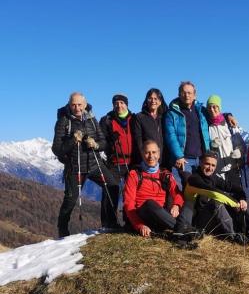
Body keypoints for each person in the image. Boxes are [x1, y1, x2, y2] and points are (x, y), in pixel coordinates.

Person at [52, 92, 119, 237]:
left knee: (112, 186)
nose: (77, 108)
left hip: (95, 164)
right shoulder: (63, 121)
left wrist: (95, 145)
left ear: (85, 104)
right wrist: (72, 140)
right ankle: (63, 230)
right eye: (73, 105)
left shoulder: (91, 119)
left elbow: (103, 142)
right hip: (75, 167)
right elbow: (56, 149)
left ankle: (110, 223)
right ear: (69, 105)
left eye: (79, 105)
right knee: (70, 199)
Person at [123, 140, 184, 237]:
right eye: (147, 153)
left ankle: (184, 228)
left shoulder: (165, 174)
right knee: (150, 203)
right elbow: (128, 204)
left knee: (187, 204)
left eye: (154, 152)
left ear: (159, 154)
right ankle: (182, 229)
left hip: (161, 217)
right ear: (142, 154)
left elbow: (177, 194)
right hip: (143, 216)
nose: (151, 156)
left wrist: (176, 205)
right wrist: (139, 225)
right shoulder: (134, 174)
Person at [184, 151, 248, 238]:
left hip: (211, 218)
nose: (210, 168)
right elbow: (215, 193)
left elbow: (233, 187)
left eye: (213, 165)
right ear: (200, 163)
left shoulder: (213, 177)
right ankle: (233, 237)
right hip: (198, 221)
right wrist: (235, 204)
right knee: (216, 203)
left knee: (241, 203)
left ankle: (244, 233)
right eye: (207, 164)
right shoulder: (194, 179)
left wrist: (242, 199)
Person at [99, 93, 134, 228]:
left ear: (126, 104)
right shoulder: (107, 120)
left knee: (130, 192)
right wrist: (109, 143)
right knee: (110, 191)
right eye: (116, 103)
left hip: (131, 162)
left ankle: (129, 221)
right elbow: (101, 142)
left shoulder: (134, 119)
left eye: (122, 103)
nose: (119, 105)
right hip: (114, 162)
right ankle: (109, 223)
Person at [205, 94, 246, 184]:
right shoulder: (207, 126)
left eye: (215, 107)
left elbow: (241, 145)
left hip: (233, 168)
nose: (212, 109)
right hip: (217, 171)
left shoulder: (229, 124)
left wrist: (239, 152)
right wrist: (212, 145)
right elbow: (205, 147)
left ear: (219, 108)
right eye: (209, 107)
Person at [132, 88, 168, 165]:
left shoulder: (165, 117)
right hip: (148, 158)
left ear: (160, 101)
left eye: (156, 98)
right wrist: (143, 157)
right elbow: (138, 139)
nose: (153, 101)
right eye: (150, 98)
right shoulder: (140, 117)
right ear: (146, 100)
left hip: (164, 159)